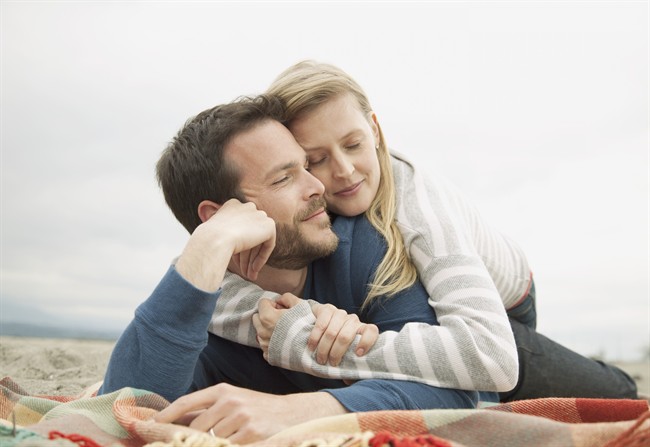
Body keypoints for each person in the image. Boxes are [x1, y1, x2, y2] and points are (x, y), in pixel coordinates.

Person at [208, 60, 638, 401]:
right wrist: (276, 313)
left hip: (504, 303)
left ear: (376, 130)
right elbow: (206, 285)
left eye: (354, 144)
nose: (344, 171)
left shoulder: (422, 209)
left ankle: (623, 386)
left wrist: (308, 341)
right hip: (433, 316)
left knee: (601, 395)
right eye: (315, 159)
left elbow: (491, 354)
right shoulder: (308, 204)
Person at [100, 95, 480, 444]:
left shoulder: (366, 246)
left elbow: (457, 389)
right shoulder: (200, 312)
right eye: (284, 178)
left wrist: (303, 411)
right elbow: (125, 410)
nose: (318, 186)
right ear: (218, 217)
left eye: (306, 166)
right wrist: (205, 249)